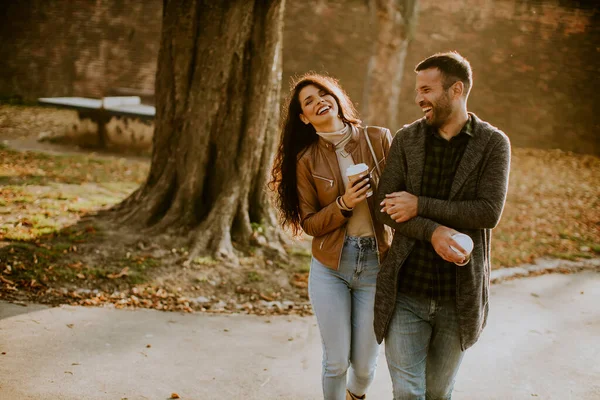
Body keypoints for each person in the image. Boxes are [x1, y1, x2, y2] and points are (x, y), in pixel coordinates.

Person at [374, 52, 511, 399]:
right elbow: (386, 208)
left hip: (458, 294)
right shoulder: (407, 139)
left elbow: (487, 212)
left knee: (437, 392)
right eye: (417, 90)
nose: (419, 98)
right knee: (407, 391)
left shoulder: (494, 144)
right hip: (406, 289)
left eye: (426, 89)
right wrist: (432, 231)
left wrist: (420, 205)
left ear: (456, 90)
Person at [270, 73, 393, 400]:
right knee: (336, 362)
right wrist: (344, 204)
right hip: (330, 266)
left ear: (337, 98)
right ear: (304, 118)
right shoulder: (306, 159)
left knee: (364, 368)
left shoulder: (378, 139)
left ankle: (356, 396)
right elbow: (309, 223)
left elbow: (401, 196)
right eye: (308, 101)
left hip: (376, 265)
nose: (318, 101)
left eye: (323, 94)